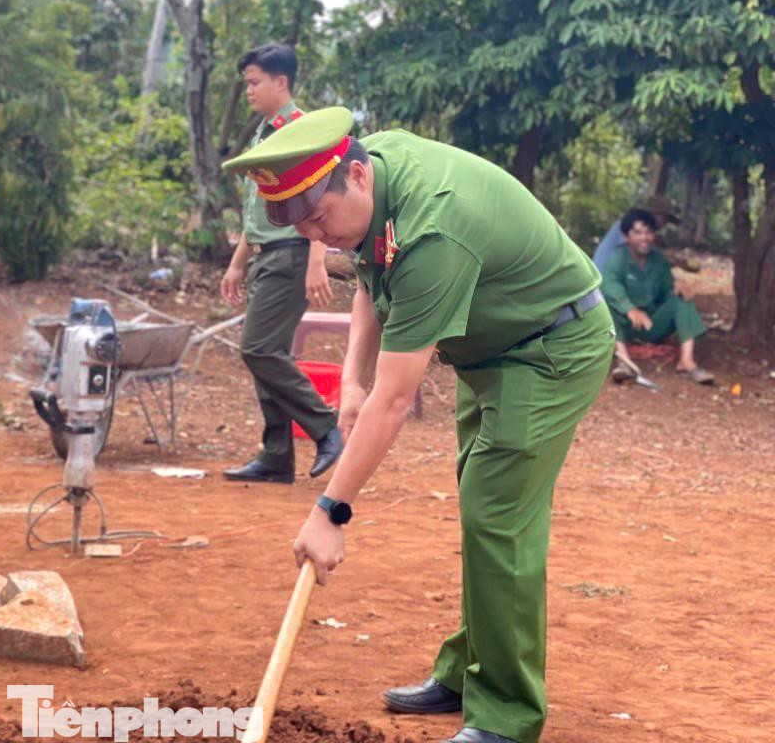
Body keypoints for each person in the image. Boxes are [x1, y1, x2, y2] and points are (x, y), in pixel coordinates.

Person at [224, 109, 614, 743]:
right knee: (484, 508)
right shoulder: (373, 174)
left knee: (496, 513)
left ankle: (506, 717)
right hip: (489, 349)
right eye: (304, 228)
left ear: (355, 175)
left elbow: (397, 398)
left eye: (319, 218)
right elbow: (373, 277)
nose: (319, 235)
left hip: (550, 349)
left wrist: (330, 511)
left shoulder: (434, 228)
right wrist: (350, 380)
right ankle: (467, 674)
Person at [220, 43, 343, 484]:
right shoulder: (264, 133)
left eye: (254, 83)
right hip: (266, 254)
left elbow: (320, 196)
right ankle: (275, 455)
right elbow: (259, 205)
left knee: (258, 348)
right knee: (265, 351)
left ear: (281, 82)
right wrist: (239, 261)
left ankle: (326, 428)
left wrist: (317, 261)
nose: (249, 91)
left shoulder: (300, 130)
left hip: (291, 253)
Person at [601, 208, 713, 385]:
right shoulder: (618, 258)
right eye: (637, 232)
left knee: (681, 301)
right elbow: (610, 286)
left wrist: (679, 289)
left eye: (648, 232)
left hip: (650, 323)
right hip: (625, 325)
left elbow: (666, 292)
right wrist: (630, 309)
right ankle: (623, 362)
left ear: (653, 235)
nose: (644, 238)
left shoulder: (659, 260)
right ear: (627, 237)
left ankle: (687, 361)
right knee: (606, 305)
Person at [592, 194, 678, 272]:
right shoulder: (629, 225)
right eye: (665, 218)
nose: (665, 223)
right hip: (603, 276)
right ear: (654, 215)